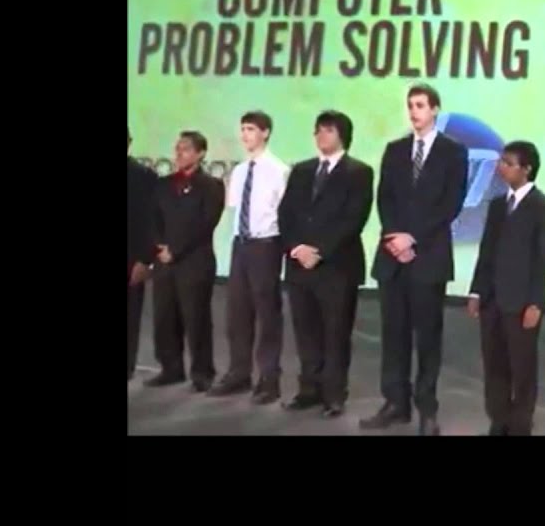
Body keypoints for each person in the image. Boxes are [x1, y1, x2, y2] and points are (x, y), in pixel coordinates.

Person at [362, 84, 468, 436]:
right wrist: (396, 238)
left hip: (428, 257)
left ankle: (426, 408)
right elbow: (385, 199)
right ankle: (395, 403)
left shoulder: (453, 152)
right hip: (393, 257)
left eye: (420, 105)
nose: (414, 111)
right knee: (393, 335)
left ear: (435, 109)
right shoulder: (395, 150)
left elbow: (450, 204)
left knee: (427, 338)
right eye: (410, 105)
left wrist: (414, 238)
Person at [278, 110, 374, 418]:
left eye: (328, 130)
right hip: (298, 266)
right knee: (305, 332)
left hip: (336, 267)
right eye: (317, 130)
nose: (321, 135)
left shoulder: (359, 172)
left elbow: (353, 219)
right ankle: (309, 389)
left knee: (335, 334)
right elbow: (286, 213)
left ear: (342, 135)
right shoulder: (302, 170)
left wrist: (319, 251)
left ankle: (334, 395)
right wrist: (297, 248)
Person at [466, 141, 545, 436]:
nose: (500, 167)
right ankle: (499, 421)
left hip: (521, 303)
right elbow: (486, 251)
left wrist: (536, 302)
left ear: (526, 169)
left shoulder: (544, 208)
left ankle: (521, 425)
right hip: (492, 300)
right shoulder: (497, 205)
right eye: (501, 162)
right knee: (494, 365)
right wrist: (476, 291)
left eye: (508, 163)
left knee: (522, 368)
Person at [208, 111, 290, 404]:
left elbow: (284, 212)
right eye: (243, 129)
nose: (245, 135)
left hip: (265, 245)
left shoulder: (279, 170)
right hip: (240, 245)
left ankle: (269, 379)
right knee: (237, 312)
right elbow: (235, 208)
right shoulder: (240, 171)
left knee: (267, 313)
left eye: (251, 129)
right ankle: (239, 372)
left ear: (265, 133)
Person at [146, 131, 225, 392]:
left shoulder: (212, 185)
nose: (180, 153)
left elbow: (205, 224)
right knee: (165, 316)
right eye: (178, 148)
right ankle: (171, 368)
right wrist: (160, 247)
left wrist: (176, 250)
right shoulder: (163, 184)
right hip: (164, 262)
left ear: (201, 153)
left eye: (186, 149)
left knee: (196, 318)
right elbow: (153, 219)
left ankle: (202, 372)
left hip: (194, 262)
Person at [128, 127, 159, 381]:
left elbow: (151, 222)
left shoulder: (144, 176)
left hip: (131, 257)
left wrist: (145, 260)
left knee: (130, 315)